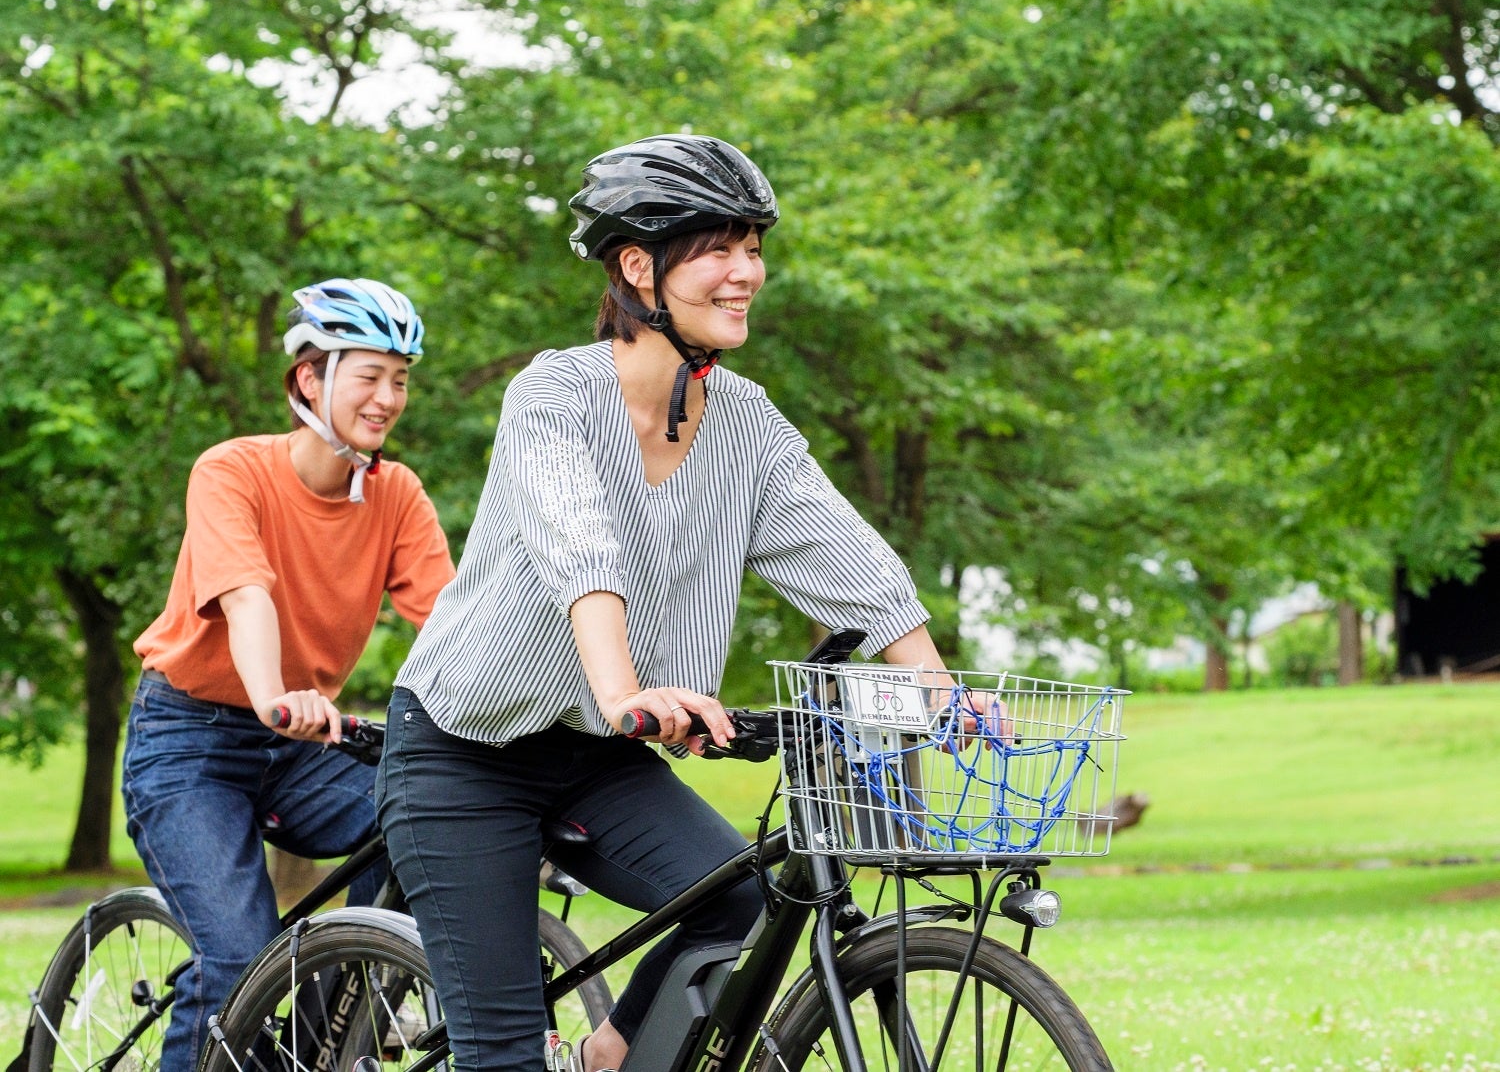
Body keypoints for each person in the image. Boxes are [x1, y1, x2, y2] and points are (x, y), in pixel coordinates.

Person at [376, 134, 987, 1072]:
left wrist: (943, 695)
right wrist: (627, 689)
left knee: (743, 898)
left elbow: (854, 566)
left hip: (597, 757)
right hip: (465, 752)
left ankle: (608, 1056)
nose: (747, 272)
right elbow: (579, 546)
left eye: (753, 247)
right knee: (499, 1054)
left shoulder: (747, 421)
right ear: (637, 265)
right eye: (717, 248)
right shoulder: (553, 395)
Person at [122, 278, 455, 1072]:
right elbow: (247, 594)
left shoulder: (397, 494)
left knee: (422, 815)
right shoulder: (232, 469)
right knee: (237, 959)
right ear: (311, 378)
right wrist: (274, 693)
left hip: (303, 745)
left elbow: (457, 624)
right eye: (369, 374)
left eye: (400, 379)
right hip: (187, 741)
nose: (388, 398)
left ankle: (325, 1036)